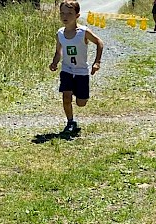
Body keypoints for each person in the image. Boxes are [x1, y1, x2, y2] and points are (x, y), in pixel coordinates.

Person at [49, 0, 103, 133]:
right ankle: (70, 122)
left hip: (81, 72)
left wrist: (97, 62)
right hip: (67, 70)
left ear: (77, 16)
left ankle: (75, 91)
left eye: (69, 13)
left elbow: (99, 43)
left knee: (81, 103)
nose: (65, 16)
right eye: (62, 13)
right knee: (66, 97)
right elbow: (58, 51)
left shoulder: (83, 32)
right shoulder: (60, 33)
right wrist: (55, 62)